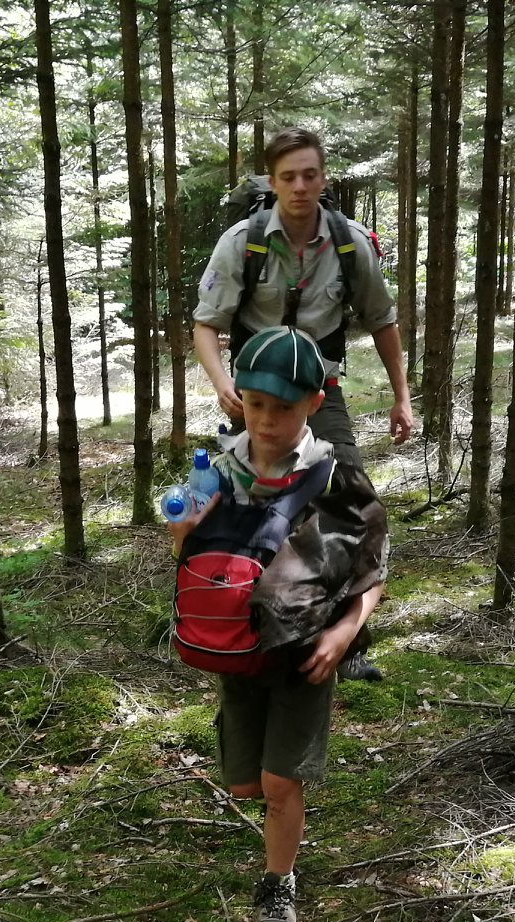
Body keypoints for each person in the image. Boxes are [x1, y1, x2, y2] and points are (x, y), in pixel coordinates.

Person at [170, 326, 387, 922]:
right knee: (244, 785)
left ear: (314, 403)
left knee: (278, 785)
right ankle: (260, 770)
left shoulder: (333, 475)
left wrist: (344, 633)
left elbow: (373, 570)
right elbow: (190, 561)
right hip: (238, 653)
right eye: (256, 403)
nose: (266, 420)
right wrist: (184, 528)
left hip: (303, 651)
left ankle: (277, 890)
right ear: (238, 395)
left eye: (284, 408)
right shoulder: (217, 468)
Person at [193, 126, 411, 683]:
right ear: (272, 181)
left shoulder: (349, 243)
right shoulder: (243, 242)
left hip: (320, 394)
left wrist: (402, 397)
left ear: (323, 177)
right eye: (288, 177)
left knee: (349, 500)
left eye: (309, 175)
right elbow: (206, 324)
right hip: (257, 398)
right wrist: (223, 384)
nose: (299, 187)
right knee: (251, 511)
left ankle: (348, 640)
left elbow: (382, 321)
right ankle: (243, 637)